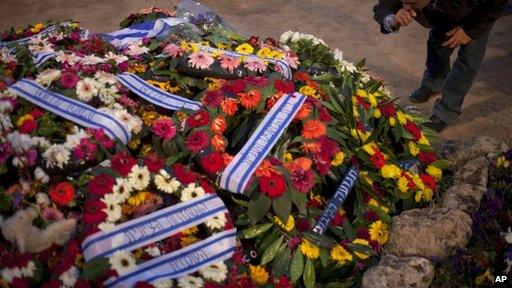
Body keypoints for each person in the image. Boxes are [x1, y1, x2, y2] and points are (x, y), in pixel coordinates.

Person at [373, 0, 508, 132]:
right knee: (437, 43)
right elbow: (382, 7)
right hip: (443, 8)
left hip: (479, 11)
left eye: (413, 3)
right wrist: (392, 19)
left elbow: (495, 4)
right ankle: (434, 82)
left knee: (469, 60)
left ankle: (447, 111)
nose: (406, 7)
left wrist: (469, 30)